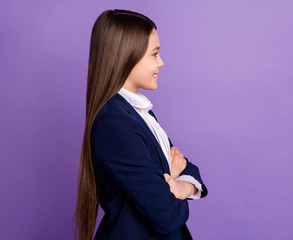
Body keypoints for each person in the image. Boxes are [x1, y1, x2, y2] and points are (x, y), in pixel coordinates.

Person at [74, 9, 208, 240]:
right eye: (154, 54)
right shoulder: (115, 124)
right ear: (127, 55)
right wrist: (171, 177)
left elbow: (189, 168)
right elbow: (167, 215)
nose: (162, 62)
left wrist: (179, 186)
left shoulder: (138, 113)